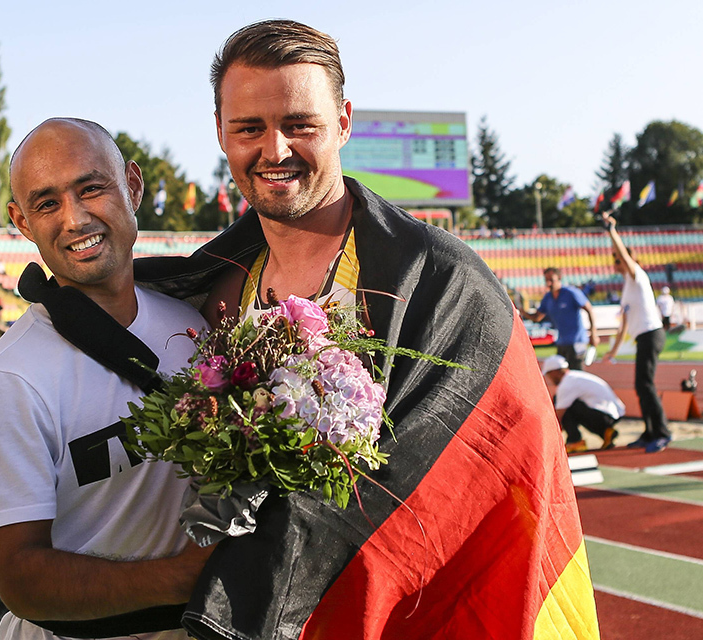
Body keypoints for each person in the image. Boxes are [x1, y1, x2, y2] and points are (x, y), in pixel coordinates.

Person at [135, 19, 598, 639]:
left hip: (424, 613)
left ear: (344, 122)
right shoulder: (216, 289)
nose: (274, 151)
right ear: (221, 132)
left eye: (300, 125)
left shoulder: (440, 280)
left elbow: (503, 462)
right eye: (250, 128)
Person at [0, 118, 213, 640]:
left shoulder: (198, 323)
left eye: (91, 188)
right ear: (22, 221)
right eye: (47, 203)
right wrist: (183, 580)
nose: (74, 219)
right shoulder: (8, 381)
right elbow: (21, 581)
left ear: (133, 186)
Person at [601, 211, 671, 453]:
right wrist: (612, 352)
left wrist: (611, 231)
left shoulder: (637, 276)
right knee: (641, 386)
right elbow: (623, 325)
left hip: (652, 333)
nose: (615, 261)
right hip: (644, 336)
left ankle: (662, 432)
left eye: (618, 258)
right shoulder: (626, 288)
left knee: (646, 385)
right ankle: (650, 431)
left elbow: (623, 254)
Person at [541, 354, 623, 453]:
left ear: (555, 372)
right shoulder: (574, 377)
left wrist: (548, 437)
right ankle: (605, 432)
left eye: (549, 374)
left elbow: (559, 415)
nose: (549, 378)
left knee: (567, 407)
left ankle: (575, 440)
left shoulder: (567, 384)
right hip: (611, 413)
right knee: (568, 404)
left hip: (605, 415)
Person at [524, 267, 599, 369]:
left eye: (551, 280)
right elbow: (537, 317)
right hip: (561, 342)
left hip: (577, 341)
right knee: (561, 375)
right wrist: (521, 311)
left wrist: (593, 333)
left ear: (559, 278)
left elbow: (589, 309)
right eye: (546, 280)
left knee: (576, 374)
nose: (549, 283)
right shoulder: (547, 298)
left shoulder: (571, 293)